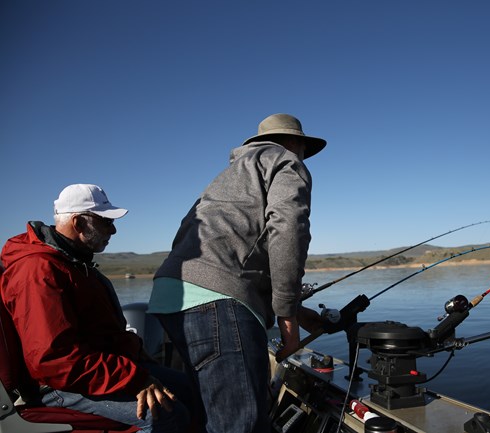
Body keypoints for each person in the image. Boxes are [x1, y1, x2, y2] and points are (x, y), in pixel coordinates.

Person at [148, 113, 327, 433]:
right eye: (302, 147)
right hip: (216, 303)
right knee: (240, 425)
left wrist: (295, 309)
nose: (302, 154)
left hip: (169, 299)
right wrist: (288, 319)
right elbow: (288, 230)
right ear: (295, 142)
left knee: (210, 417)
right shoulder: (286, 162)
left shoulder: (227, 178)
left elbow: (205, 247)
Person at [0, 184, 191, 433]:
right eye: (105, 221)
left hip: (99, 372)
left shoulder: (76, 263)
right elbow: (54, 360)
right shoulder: (38, 272)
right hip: (58, 387)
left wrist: (139, 358)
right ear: (79, 223)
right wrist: (136, 379)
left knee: (191, 388)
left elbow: (104, 335)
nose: (113, 229)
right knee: (165, 415)